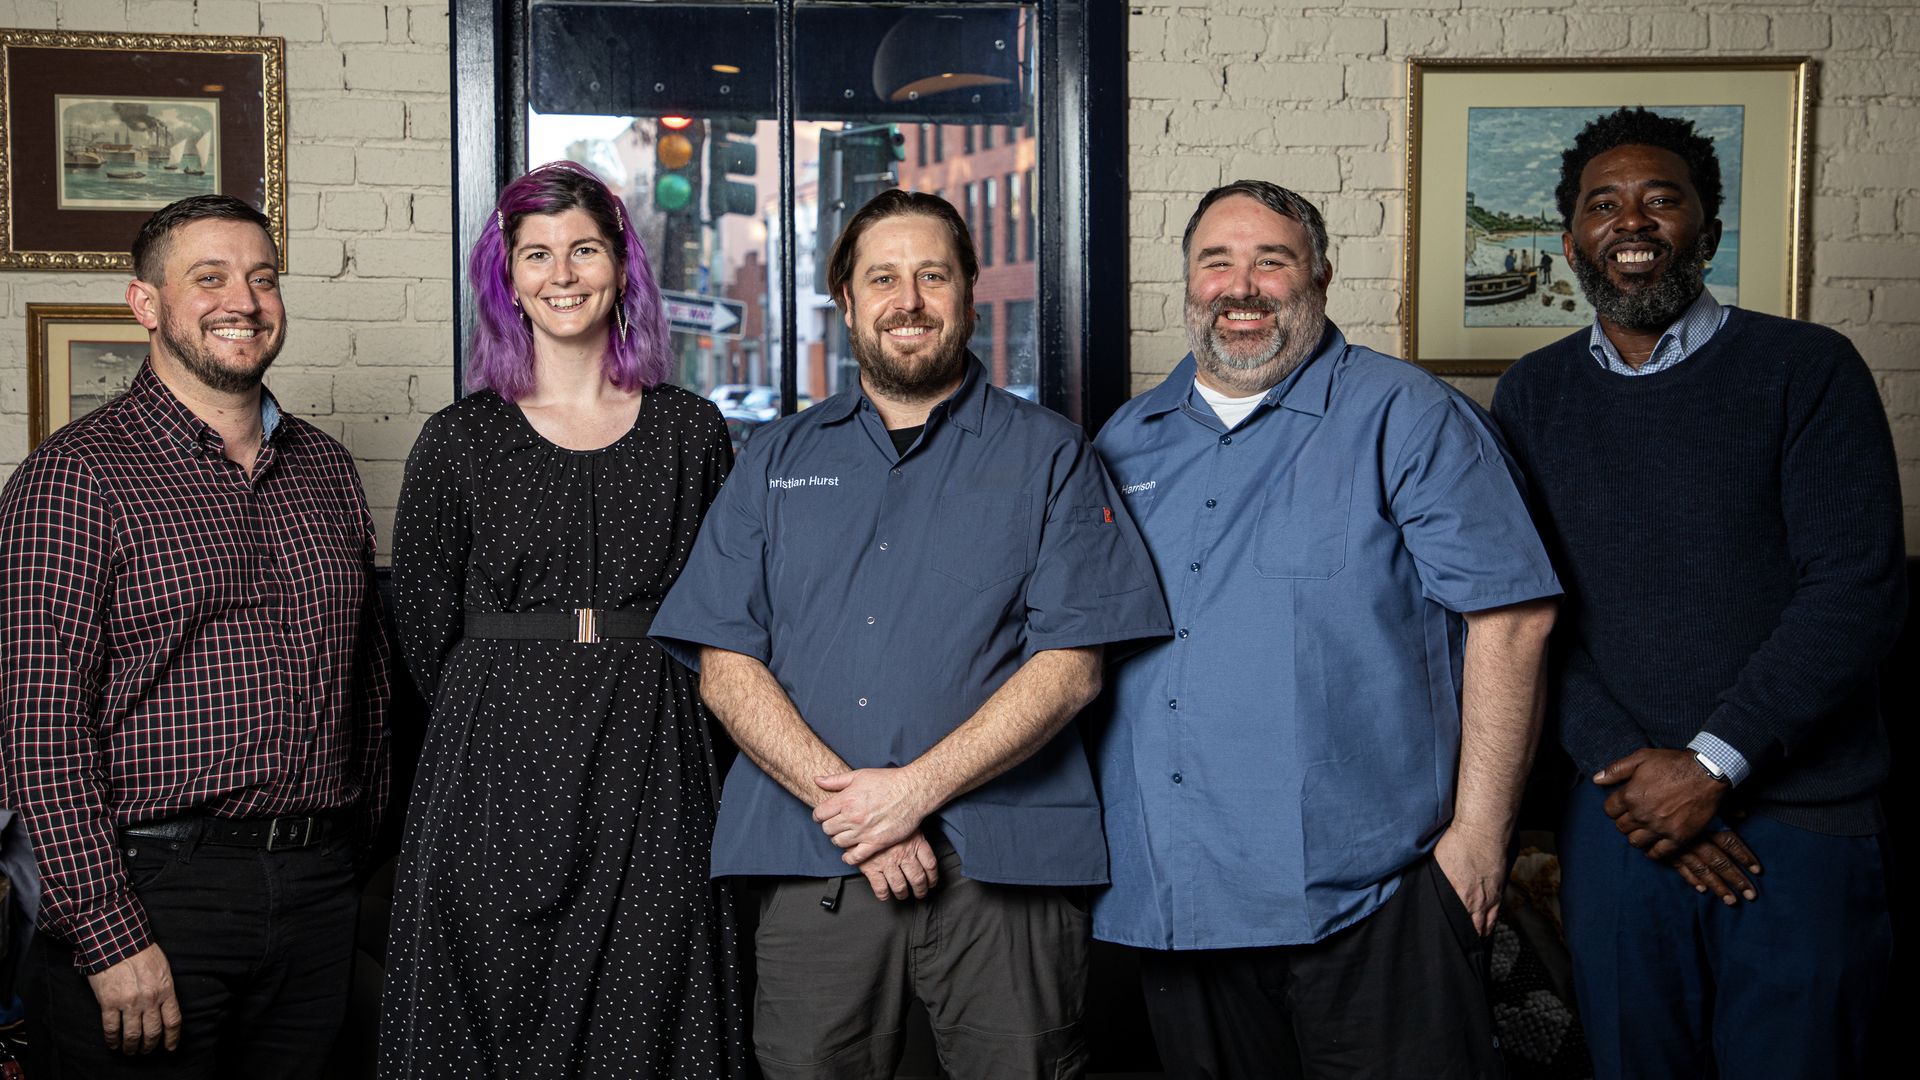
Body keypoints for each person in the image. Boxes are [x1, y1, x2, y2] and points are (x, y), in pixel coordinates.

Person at [651, 189, 1169, 1080]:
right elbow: (725, 665)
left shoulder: (1051, 456)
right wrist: (862, 816)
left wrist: (912, 793)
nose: (909, 300)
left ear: (969, 293)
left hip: (1003, 873)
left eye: (933, 275)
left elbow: (1073, 668)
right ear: (846, 302)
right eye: (881, 278)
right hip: (819, 863)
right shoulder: (774, 460)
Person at [1091, 180, 1561, 1079]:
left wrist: (1480, 840)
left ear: (1321, 279)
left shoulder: (1406, 415)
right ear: (1187, 284)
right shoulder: (1128, 439)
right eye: (1215, 261)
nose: (1242, 285)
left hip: (1376, 895)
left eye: (1272, 260)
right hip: (1180, 892)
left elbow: (1513, 621)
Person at [1491, 107, 1904, 1079]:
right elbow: (1525, 611)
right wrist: (1638, 776)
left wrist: (1711, 768)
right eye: (1604, 204)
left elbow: (1857, 590)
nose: (1631, 222)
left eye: (1660, 199)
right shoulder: (1532, 396)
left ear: (1707, 231)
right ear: (1571, 241)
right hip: (1619, 814)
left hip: (1800, 816)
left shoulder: (1807, 369)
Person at [0, 194, 391, 1077]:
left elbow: (366, 688)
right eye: (208, 278)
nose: (243, 302)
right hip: (152, 890)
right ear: (147, 304)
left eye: (262, 278)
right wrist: (107, 935)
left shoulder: (325, 469)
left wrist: (344, 864)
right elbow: (40, 729)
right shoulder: (74, 477)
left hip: (317, 888)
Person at [378, 162, 748, 1078]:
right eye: (536, 255)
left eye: (584, 249)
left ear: (623, 267)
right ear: (506, 278)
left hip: (654, 749)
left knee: (654, 1001)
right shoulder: (458, 438)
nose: (562, 273)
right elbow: (423, 628)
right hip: (492, 765)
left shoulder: (689, 429)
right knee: (488, 1006)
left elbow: (728, 611)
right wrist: (505, 696)